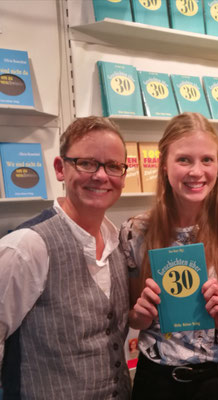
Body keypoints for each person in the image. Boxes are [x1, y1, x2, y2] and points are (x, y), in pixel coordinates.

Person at [119, 112, 218, 400]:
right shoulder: (135, 231)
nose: (197, 171)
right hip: (157, 381)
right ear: (164, 166)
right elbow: (134, 316)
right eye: (184, 159)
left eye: (207, 159)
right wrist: (140, 315)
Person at [0, 116, 132, 399]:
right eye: (86, 163)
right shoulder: (27, 247)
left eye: (113, 166)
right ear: (60, 169)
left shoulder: (119, 243)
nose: (101, 176)